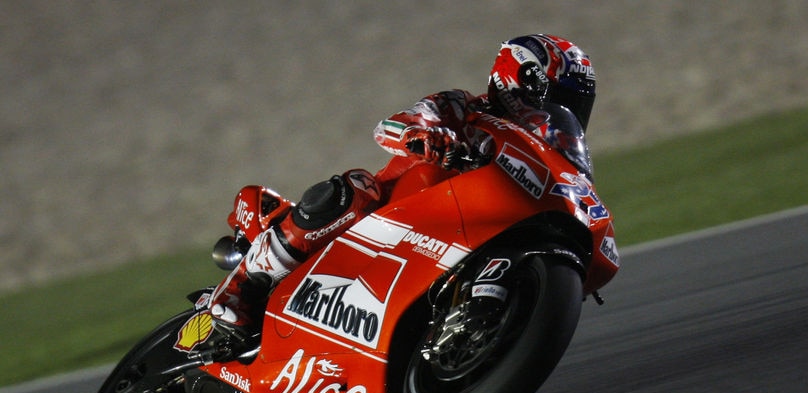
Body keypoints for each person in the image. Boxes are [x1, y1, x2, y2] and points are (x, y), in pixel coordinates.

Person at [206, 34, 597, 353]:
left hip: (449, 237)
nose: (563, 109)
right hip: (389, 215)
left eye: (574, 102)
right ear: (524, 79)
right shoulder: (462, 106)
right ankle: (242, 287)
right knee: (355, 189)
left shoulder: (543, 152)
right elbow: (392, 125)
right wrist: (422, 135)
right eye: (559, 95)